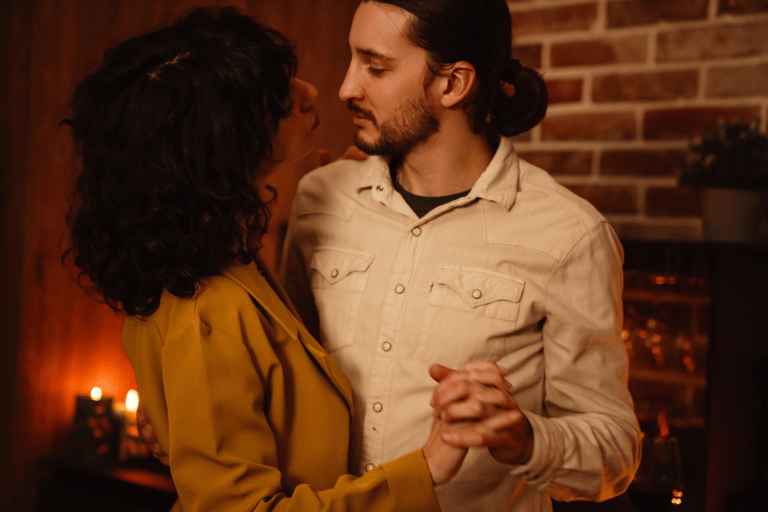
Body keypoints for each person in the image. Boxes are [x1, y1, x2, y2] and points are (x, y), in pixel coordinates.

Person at [61, 7, 501, 512]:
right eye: (278, 100)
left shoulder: (214, 258)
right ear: (225, 151)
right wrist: (428, 466)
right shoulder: (210, 311)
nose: (312, 91)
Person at [279, 1, 642, 511]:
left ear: (453, 83)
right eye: (351, 59)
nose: (346, 87)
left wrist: (525, 437)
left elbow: (615, 450)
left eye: (375, 66)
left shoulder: (569, 235)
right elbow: (282, 371)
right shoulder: (320, 198)